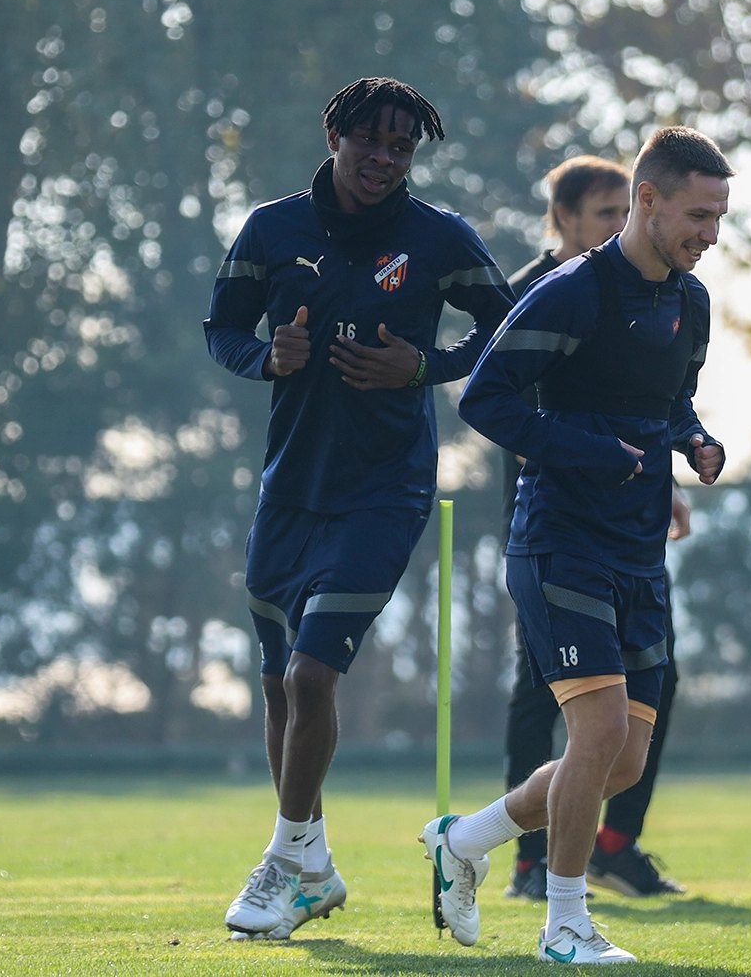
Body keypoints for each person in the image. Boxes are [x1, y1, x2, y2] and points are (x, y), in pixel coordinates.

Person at [203, 77, 514, 940]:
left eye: (401, 146)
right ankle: (316, 868)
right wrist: (268, 358)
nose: (383, 158)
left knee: (312, 676)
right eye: (369, 140)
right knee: (278, 684)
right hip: (290, 487)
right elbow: (222, 329)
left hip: (386, 489)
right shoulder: (271, 229)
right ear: (334, 135)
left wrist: (425, 367)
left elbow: (506, 323)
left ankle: (281, 864)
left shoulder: (439, 236)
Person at [422, 126, 732, 964]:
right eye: (698, 216)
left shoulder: (691, 302)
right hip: (560, 544)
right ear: (648, 200)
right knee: (594, 740)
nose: (711, 234)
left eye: (719, 218)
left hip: (640, 555)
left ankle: (463, 840)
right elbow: (485, 399)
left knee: (620, 764)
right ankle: (565, 926)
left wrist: (695, 442)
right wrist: (588, 450)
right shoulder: (570, 292)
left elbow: (673, 401)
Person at [499, 156, 688, 903]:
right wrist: (590, 461)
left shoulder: (652, 295)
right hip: (556, 528)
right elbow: (501, 404)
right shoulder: (539, 291)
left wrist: (665, 476)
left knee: (655, 686)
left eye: (622, 210)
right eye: (604, 213)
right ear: (563, 218)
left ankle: (615, 843)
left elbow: (654, 404)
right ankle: (529, 862)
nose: (618, 224)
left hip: (629, 527)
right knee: (540, 693)